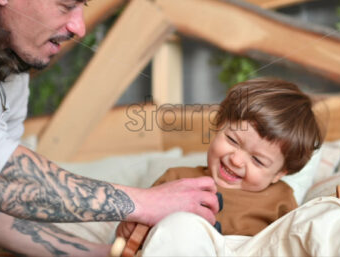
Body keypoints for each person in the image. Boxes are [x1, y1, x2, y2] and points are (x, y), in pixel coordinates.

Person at [0, 0, 218, 256]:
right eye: (67, 6)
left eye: (83, 6)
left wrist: (107, 253)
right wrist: (147, 203)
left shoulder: (8, 53)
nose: (80, 27)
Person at [116, 77, 323, 240]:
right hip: (184, 245)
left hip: (247, 250)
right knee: (181, 225)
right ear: (218, 126)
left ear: (279, 173)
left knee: (331, 217)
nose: (236, 160)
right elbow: (136, 236)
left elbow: (292, 242)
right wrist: (127, 229)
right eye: (232, 140)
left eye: (258, 161)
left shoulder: (281, 198)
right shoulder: (177, 179)